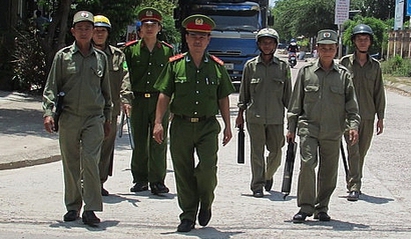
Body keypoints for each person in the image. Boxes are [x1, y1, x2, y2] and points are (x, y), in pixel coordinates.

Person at [152, 14, 235, 233]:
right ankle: (188, 215)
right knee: (183, 171)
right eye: (193, 36)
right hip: (181, 125)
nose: (198, 40)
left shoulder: (217, 68)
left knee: (207, 169)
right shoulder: (175, 66)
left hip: (207, 126)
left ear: (209, 40)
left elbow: (223, 97)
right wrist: (158, 123)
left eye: (202, 37)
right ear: (186, 38)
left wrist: (227, 124)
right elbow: (164, 95)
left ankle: (205, 202)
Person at [42, 10, 112, 226]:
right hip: (70, 116)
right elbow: (51, 88)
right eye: (80, 28)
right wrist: (48, 113)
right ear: (73, 31)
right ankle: (73, 206)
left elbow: (106, 91)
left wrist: (108, 118)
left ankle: (91, 209)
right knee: (71, 162)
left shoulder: (101, 59)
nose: (84, 32)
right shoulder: (62, 57)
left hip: (94, 118)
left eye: (88, 28)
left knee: (90, 160)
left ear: (93, 31)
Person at [286, 29, 360, 223]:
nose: (327, 51)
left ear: (336, 49)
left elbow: (352, 105)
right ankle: (305, 207)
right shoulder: (306, 72)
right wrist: (291, 127)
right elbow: (296, 103)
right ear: (317, 49)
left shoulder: (344, 75)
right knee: (308, 165)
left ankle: (322, 207)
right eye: (323, 47)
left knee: (328, 171)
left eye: (331, 48)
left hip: (333, 130)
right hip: (308, 128)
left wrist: (353, 125)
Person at [235, 28, 292, 198]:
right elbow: (244, 93)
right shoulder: (250, 66)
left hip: (276, 118)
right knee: (257, 152)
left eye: (270, 42)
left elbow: (288, 96)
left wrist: (293, 119)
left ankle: (268, 175)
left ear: (275, 45)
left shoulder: (283, 67)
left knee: (276, 151)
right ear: (259, 44)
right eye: (264, 42)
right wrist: (240, 115)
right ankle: (257, 185)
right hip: (255, 117)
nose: (267, 46)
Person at [123, 7, 174, 196]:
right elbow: (124, 75)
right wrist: (125, 99)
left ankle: (158, 181)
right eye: (146, 24)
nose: (150, 28)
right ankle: (140, 179)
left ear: (160, 28)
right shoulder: (130, 50)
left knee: (159, 141)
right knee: (139, 141)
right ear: (140, 29)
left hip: (159, 100)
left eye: (153, 25)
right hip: (138, 100)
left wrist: (173, 104)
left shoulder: (168, 51)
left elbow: (173, 79)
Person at [340, 24, 386, 201]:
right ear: (354, 41)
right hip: (349, 117)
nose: (362, 42)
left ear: (370, 42)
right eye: (359, 39)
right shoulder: (345, 63)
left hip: (367, 115)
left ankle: (353, 179)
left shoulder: (375, 66)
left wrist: (380, 117)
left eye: (366, 39)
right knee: (353, 150)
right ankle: (354, 186)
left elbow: (379, 93)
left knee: (362, 151)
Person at [92, 15, 133, 196]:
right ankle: (85, 182)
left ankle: (99, 182)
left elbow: (125, 76)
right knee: (88, 147)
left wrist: (126, 99)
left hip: (110, 111)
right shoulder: (83, 53)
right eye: (96, 30)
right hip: (88, 110)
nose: (99, 34)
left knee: (106, 149)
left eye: (103, 31)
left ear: (108, 33)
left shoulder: (118, 55)